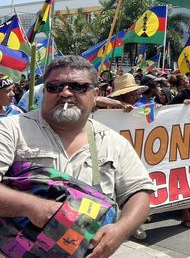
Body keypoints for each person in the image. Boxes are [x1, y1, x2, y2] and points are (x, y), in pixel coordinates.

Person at [0, 56, 154, 257]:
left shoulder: (113, 142)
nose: (65, 93)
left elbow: (139, 192)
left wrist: (121, 229)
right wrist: (36, 207)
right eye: (54, 87)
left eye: (78, 87)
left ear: (95, 94)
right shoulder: (10, 129)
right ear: (44, 91)